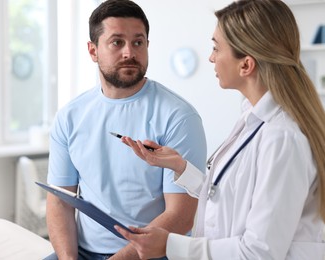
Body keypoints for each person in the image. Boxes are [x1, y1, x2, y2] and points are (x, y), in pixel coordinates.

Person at [115, 0, 325, 259]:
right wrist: (180, 167)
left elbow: (259, 252)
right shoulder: (253, 118)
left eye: (216, 47)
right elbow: (230, 199)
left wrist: (170, 245)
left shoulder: (282, 138)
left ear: (246, 65)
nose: (211, 57)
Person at [45, 0, 207, 259]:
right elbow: (60, 200)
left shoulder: (178, 116)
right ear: (93, 50)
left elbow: (181, 216)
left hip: (153, 254)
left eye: (138, 42)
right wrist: (67, 258)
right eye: (117, 42)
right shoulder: (69, 117)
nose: (129, 52)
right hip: (84, 252)